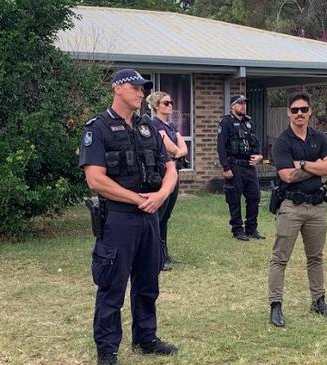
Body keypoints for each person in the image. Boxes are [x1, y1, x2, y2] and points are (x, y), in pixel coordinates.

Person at [79, 69, 179, 365]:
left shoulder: (147, 127)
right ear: (117, 88)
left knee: (148, 281)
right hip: (119, 219)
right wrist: (137, 199)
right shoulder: (98, 129)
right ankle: (107, 349)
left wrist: (161, 195)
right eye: (135, 87)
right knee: (112, 284)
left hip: (150, 217)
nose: (141, 93)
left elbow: (170, 167)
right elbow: (95, 179)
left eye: (143, 89)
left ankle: (146, 338)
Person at [267, 92, 327, 327]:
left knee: (316, 257)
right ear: (288, 112)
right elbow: (287, 175)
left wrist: (304, 164)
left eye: (304, 109)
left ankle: (318, 301)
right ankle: (276, 306)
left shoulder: (319, 138)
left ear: (310, 112)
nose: (299, 113)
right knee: (280, 258)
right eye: (295, 110)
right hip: (292, 206)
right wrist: (318, 166)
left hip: (317, 207)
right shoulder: (282, 142)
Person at [146, 91, 189, 270]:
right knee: (158, 217)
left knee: (165, 217)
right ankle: (155, 257)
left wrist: (178, 151)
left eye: (171, 102)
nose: (170, 105)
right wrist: (177, 151)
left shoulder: (170, 125)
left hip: (175, 174)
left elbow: (184, 148)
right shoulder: (154, 124)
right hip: (162, 176)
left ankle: (163, 254)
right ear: (156, 106)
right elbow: (173, 149)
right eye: (166, 103)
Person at [216, 95, 266, 241]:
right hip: (234, 165)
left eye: (245, 103)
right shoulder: (226, 123)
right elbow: (221, 147)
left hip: (249, 166)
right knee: (234, 198)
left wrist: (259, 156)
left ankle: (252, 228)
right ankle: (237, 230)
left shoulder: (249, 123)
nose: (243, 106)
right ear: (232, 106)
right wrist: (226, 167)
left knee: (254, 197)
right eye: (240, 103)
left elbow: (255, 142)